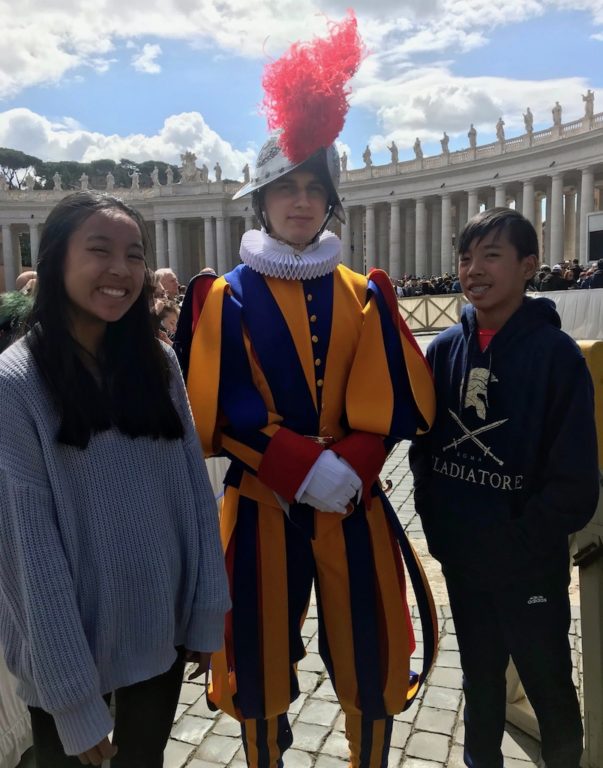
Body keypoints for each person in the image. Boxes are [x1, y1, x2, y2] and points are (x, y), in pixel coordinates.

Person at [175, 13, 437, 768]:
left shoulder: (366, 292)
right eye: (283, 188)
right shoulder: (221, 296)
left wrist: (348, 465)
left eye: (311, 190)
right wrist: (297, 468)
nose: (298, 201)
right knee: (253, 663)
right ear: (260, 203)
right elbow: (220, 407)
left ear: (329, 203)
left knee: (374, 652)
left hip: (353, 497)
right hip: (259, 503)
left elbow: (391, 399)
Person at [0, 191, 230, 767]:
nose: (121, 271)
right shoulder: (14, 383)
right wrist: (73, 697)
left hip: (161, 630)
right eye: (99, 251)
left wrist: (207, 612)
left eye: (134, 255)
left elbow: (193, 495)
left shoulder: (159, 363)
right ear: (55, 260)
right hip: (66, 651)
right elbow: (27, 556)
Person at [409, 207, 599, 768]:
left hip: (527, 569)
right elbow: (424, 455)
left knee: (549, 687)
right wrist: (443, 534)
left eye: (492, 255)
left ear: (528, 266)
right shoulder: (443, 349)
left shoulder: (557, 358)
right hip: (464, 564)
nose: (474, 270)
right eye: (466, 257)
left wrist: (515, 547)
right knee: (480, 680)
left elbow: (574, 483)